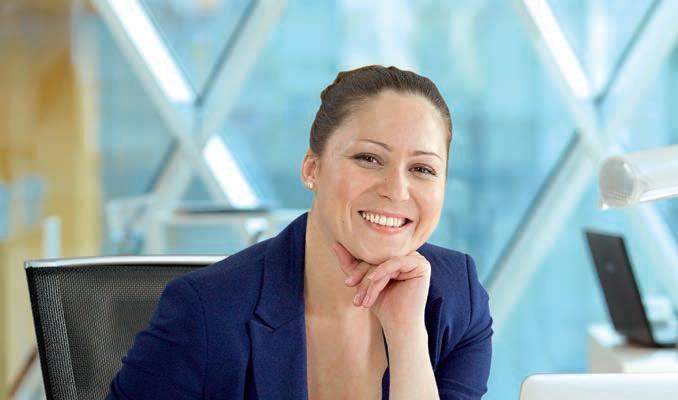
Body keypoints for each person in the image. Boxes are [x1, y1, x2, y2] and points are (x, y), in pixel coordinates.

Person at [106, 65, 492, 400]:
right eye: (369, 158)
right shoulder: (207, 313)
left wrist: (407, 335)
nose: (396, 190)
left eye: (422, 169)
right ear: (312, 169)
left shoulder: (458, 300)